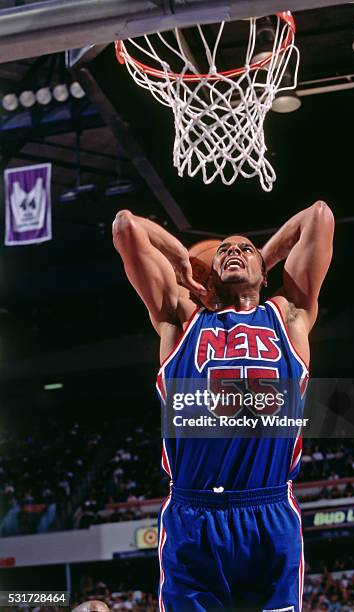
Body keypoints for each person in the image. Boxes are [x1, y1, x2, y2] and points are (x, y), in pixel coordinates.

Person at [112, 201, 334, 611]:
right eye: (224, 250)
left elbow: (319, 217)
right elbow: (126, 227)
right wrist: (180, 257)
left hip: (267, 510)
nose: (234, 251)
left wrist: (257, 261)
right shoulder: (181, 318)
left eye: (245, 248)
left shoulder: (288, 316)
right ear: (206, 273)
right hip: (193, 515)